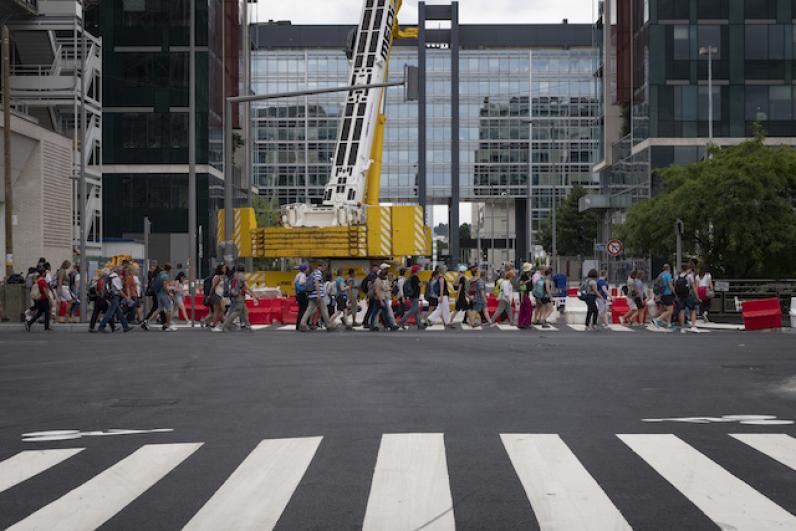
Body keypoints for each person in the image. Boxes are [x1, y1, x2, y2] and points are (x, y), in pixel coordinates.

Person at [221, 265, 258, 332]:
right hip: (239, 297)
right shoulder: (241, 276)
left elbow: (242, 287)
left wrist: (249, 294)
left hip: (236, 296)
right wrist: (254, 294)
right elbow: (246, 287)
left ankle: (248, 327)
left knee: (245, 312)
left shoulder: (236, 276)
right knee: (237, 312)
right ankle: (225, 326)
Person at [299, 262, 336, 331]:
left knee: (309, 310)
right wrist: (319, 294)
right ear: (321, 266)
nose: (325, 269)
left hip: (312, 294)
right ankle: (328, 325)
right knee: (324, 310)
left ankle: (302, 324)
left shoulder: (313, 273)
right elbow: (317, 282)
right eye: (325, 267)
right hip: (317, 295)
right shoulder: (318, 273)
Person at [97, 266, 133, 333]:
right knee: (109, 313)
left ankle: (126, 326)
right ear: (118, 271)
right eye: (121, 271)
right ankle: (101, 326)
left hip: (110, 296)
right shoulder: (116, 278)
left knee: (119, 313)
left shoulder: (109, 277)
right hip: (114, 297)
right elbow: (119, 291)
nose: (121, 272)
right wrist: (127, 298)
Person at [25, 268, 52, 332]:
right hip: (44, 299)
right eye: (45, 273)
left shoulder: (38, 280)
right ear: (43, 273)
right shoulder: (42, 281)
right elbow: (45, 291)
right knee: (47, 313)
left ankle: (29, 323)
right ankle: (46, 327)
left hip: (39, 299)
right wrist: (49, 299)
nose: (46, 274)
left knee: (39, 313)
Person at [675, 263, 699, 333]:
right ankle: (693, 326)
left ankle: (682, 328)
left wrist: (676, 295)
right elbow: (693, 286)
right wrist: (697, 296)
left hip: (680, 296)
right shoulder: (689, 276)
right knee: (693, 310)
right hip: (688, 295)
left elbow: (675, 286)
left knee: (681, 311)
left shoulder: (678, 276)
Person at [399, 265, 424, 330]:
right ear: (416, 270)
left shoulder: (411, 277)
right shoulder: (415, 277)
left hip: (412, 295)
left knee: (417, 311)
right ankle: (401, 321)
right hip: (415, 296)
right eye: (418, 270)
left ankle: (420, 325)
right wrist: (422, 283)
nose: (419, 271)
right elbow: (420, 285)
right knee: (412, 310)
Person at [653, 264, 675, 329]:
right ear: (669, 268)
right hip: (667, 294)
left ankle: (669, 324)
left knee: (667, 309)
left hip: (661, 294)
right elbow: (670, 285)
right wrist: (675, 292)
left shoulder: (661, 275)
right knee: (670, 310)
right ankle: (657, 319)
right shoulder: (668, 275)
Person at [156, 264, 176, 332]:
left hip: (159, 294)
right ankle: (168, 325)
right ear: (169, 269)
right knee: (169, 309)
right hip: (164, 294)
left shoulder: (160, 274)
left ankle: (147, 321)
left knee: (160, 309)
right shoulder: (165, 276)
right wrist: (169, 293)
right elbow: (165, 287)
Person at [517, 263, 534, 329]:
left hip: (525, 293)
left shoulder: (527, 276)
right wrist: (528, 281)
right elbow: (521, 284)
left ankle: (522, 322)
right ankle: (525, 322)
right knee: (528, 308)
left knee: (524, 309)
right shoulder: (524, 276)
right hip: (524, 293)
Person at [294, 264, 309, 331]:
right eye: (307, 268)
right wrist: (307, 284)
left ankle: (298, 325)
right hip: (302, 294)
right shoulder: (303, 275)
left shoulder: (298, 275)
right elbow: (302, 282)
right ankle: (302, 325)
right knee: (304, 310)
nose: (308, 269)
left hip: (298, 294)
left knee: (300, 310)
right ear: (305, 269)